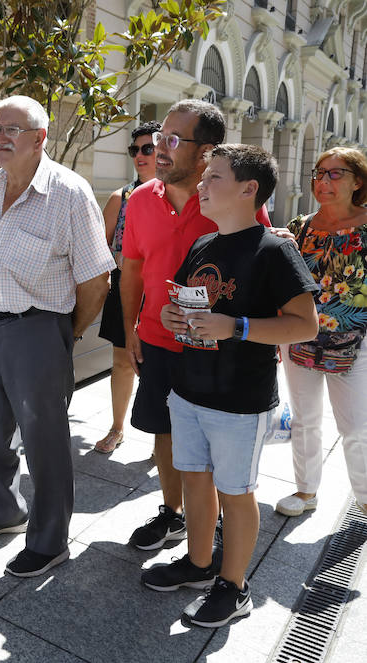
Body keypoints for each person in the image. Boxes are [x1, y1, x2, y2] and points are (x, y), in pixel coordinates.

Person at [143, 144, 318, 628]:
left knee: (236, 492)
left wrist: (236, 327)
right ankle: (199, 565)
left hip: (240, 400)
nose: (200, 184)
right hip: (189, 388)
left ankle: (233, 586)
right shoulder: (205, 243)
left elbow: (306, 325)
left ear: (248, 189)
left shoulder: (274, 249)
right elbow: (180, 305)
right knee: (195, 479)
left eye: (213, 177)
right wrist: (170, 314)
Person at [0, 95, 113, 577]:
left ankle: (49, 541)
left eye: (11, 129)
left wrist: (64, 334)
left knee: (44, 441)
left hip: (39, 328)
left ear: (39, 138)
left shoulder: (69, 193)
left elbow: (95, 281)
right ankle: (1, 513)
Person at [120, 100, 273, 551]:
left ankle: (222, 523)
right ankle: (173, 514)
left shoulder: (230, 200)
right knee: (166, 433)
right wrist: (130, 328)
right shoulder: (140, 200)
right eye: (157, 139)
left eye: (172, 140)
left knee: (218, 443)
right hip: (157, 340)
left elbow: (260, 260)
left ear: (207, 151)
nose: (159, 149)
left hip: (219, 348)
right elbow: (130, 270)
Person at [275, 147, 367, 518]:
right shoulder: (300, 227)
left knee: (357, 426)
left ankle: (364, 496)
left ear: (358, 180)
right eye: (319, 173)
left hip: (355, 343)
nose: (323, 181)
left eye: (335, 173)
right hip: (300, 337)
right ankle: (305, 491)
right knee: (305, 419)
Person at [94, 121, 160, 453]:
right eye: (135, 149)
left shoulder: (183, 195)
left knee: (160, 366)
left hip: (165, 290)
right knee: (122, 361)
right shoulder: (121, 197)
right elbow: (99, 248)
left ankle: (161, 440)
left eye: (148, 148)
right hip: (127, 286)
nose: (140, 155)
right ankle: (117, 428)